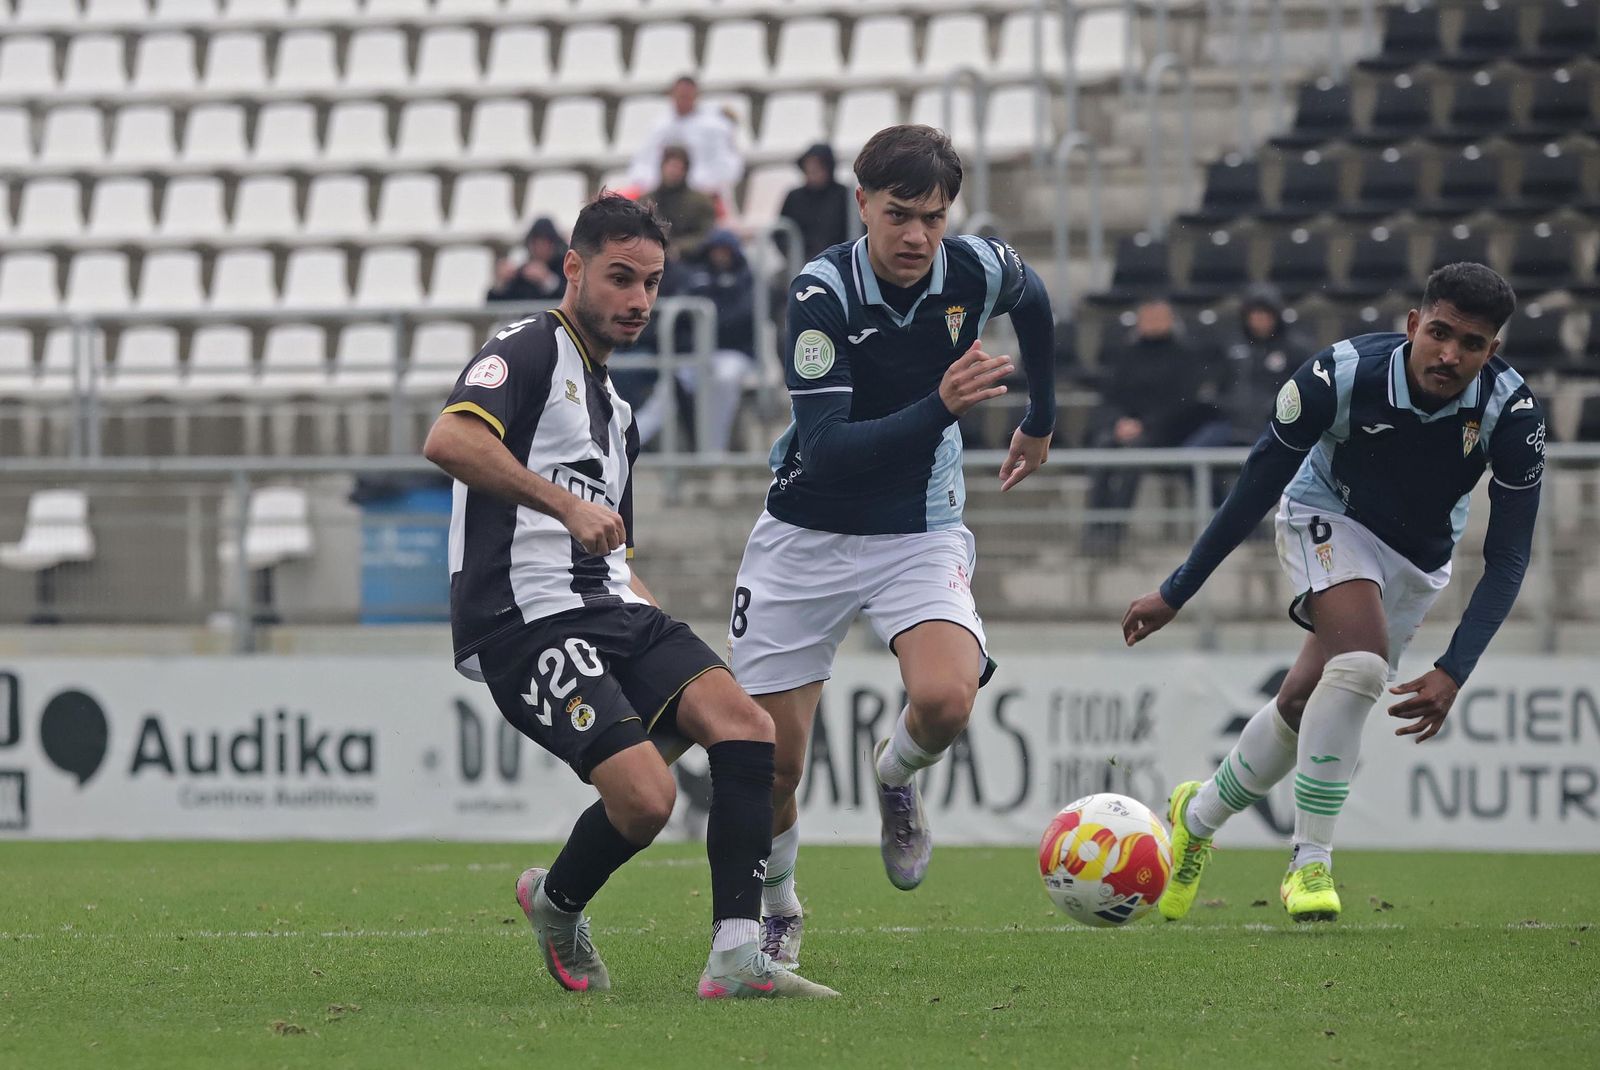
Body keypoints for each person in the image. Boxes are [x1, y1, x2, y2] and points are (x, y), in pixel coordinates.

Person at [421, 193, 836, 1000]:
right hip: (524, 620)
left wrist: (660, 626)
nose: (639, 299)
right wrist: (564, 505)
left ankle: (737, 956)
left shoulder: (618, 412)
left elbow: (614, 548)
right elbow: (450, 438)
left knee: (748, 729)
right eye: (620, 278)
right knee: (647, 801)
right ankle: (556, 903)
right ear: (574, 269)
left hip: (612, 608)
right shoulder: (527, 347)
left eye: (651, 282)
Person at [725, 125, 1057, 968]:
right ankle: (780, 906)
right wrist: (943, 406)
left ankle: (895, 775)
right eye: (899, 214)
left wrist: (1042, 416)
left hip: (917, 527)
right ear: (862, 204)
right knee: (773, 764)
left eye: (933, 218)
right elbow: (829, 447)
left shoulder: (974, 269)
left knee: (944, 700)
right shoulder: (820, 293)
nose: (916, 235)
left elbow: (1035, 299)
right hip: (807, 530)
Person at [1121, 262, 1544, 924]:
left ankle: (1195, 818)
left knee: (1300, 702)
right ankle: (1309, 862)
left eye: (1471, 344)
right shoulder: (1339, 376)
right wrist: (1177, 590)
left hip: (1418, 559)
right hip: (1327, 513)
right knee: (1361, 665)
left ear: (1492, 350)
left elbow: (1510, 556)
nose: (1449, 354)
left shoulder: (1511, 414)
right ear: (1413, 324)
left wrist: (1455, 668)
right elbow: (1257, 483)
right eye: (1439, 333)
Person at [1083, 298, 1224, 556]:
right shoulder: (1126, 355)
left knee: (1133, 457)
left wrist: (1144, 424)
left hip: (1166, 432)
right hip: (1126, 427)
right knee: (1102, 449)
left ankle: (1115, 532)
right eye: (1147, 318)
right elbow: (1111, 397)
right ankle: (1094, 528)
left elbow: (1184, 402)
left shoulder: (1185, 356)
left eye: (1159, 318)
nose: (1152, 323)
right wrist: (1119, 422)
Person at [633, 228, 757, 452]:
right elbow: (683, 316)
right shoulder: (697, 278)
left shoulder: (747, 279)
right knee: (668, 390)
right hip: (698, 352)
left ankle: (713, 452)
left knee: (724, 378)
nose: (720, 256)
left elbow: (741, 320)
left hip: (734, 354)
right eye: (716, 251)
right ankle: (627, 443)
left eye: (725, 251)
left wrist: (709, 322)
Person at [1215, 284, 1315, 444]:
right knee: (1196, 448)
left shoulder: (1296, 349)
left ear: (1276, 316)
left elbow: (1307, 390)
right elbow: (1219, 386)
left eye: (1265, 313)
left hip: (1277, 425)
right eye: (1255, 313)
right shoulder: (1230, 346)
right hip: (1231, 425)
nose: (1260, 319)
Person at [626, 75, 743, 208]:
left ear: (696, 96)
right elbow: (643, 162)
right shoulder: (660, 126)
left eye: (687, 96)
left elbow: (729, 164)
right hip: (662, 193)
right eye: (680, 96)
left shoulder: (715, 127)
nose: (683, 101)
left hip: (703, 193)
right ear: (672, 95)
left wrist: (700, 187)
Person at [778, 142, 853, 262]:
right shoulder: (794, 197)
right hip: (800, 263)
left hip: (840, 261)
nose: (812, 171)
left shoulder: (844, 195)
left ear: (828, 168)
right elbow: (780, 233)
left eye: (818, 167)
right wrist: (796, 257)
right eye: (809, 167)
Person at [645, 145, 716, 261]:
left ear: (685, 171)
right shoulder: (647, 200)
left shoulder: (700, 202)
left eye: (678, 167)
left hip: (689, 261)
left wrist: (679, 248)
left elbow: (707, 235)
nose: (673, 171)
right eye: (670, 166)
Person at [487, 217, 568, 304]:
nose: (540, 248)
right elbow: (494, 304)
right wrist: (501, 283)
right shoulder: (523, 271)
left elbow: (569, 298)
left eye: (545, 243)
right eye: (535, 243)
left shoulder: (564, 266)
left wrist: (547, 280)